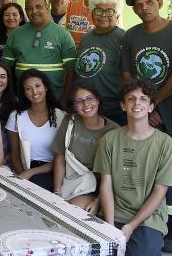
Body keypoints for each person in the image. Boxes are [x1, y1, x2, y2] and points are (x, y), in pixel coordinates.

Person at [85, 78, 172, 256]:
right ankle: (126, 253)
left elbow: (159, 193)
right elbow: (106, 185)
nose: (137, 103)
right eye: (131, 99)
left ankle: (143, 252)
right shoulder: (110, 140)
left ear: (151, 107)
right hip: (115, 214)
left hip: (147, 219)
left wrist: (131, 226)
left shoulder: (167, 145)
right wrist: (110, 227)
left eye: (143, 99)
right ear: (123, 105)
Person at [121, 0, 172, 253]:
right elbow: (127, 75)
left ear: (160, 3)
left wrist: (153, 105)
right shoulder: (131, 35)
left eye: (149, 2)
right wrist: (143, 108)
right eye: (138, 5)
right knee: (143, 170)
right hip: (142, 116)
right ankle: (148, 221)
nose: (144, 8)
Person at [51, 83, 120, 214]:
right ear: (74, 106)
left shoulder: (114, 130)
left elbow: (115, 173)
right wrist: (57, 192)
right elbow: (60, 158)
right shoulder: (70, 122)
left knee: (71, 211)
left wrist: (99, 200)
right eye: (79, 101)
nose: (86, 104)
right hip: (70, 181)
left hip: (98, 187)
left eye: (90, 98)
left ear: (98, 100)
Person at [2, 0, 77, 100]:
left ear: (47, 8)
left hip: (55, 99)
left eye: (38, 7)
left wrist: (65, 99)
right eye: (29, 8)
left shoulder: (62, 34)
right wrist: (11, 95)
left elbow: (71, 69)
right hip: (23, 100)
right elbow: (6, 67)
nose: (34, 11)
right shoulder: (15, 35)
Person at [4, 69, 66, 189]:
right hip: (24, 167)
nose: (34, 92)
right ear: (24, 93)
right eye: (28, 88)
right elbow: (14, 154)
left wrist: (31, 173)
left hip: (52, 169)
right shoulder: (16, 116)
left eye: (38, 86)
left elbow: (62, 157)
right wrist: (23, 175)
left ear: (46, 88)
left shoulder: (61, 116)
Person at [75, 0, 126, 125]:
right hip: (87, 108)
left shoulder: (124, 38)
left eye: (109, 11)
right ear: (92, 13)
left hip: (114, 111)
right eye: (98, 11)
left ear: (117, 14)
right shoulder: (86, 38)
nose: (103, 15)